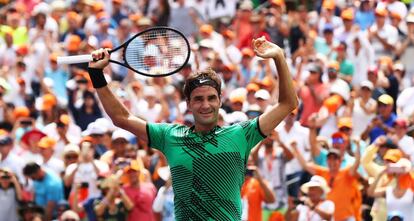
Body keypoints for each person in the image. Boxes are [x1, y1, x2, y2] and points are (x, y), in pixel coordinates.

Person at [87, 36, 298, 220]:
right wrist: (97, 75)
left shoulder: (240, 134)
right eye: (198, 99)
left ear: (220, 100)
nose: (205, 105)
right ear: (188, 104)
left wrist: (279, 56)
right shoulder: (170, 136)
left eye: (211, 98)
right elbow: (121, 117)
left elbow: (288, 103)